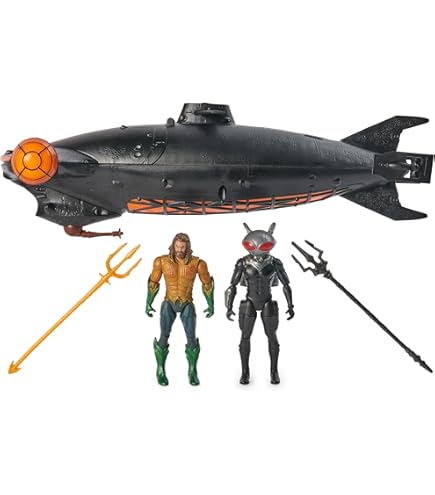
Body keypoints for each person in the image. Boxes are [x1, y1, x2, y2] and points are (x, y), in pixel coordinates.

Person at [225, 223, 294, 385]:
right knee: (245, 336)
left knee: (272, 336)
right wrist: (229, 306)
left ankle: (274, 371)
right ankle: (245, 372)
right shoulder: (243, 262)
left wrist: (290, 305)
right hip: (249, 301)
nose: (257, 248)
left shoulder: (274, 262)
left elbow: (286, 285)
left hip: (267, 301)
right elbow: (232, 286)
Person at [146, 233, 214, 386]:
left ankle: (192, 371)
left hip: (187, 303)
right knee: (164, 336)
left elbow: (207, 284)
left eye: (182, 247)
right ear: (173, 246)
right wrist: (148, 303)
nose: (179, 250)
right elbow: (153, 283)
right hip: (168, 302)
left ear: (187, 247)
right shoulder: (161, 261)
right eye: (177, 246)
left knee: (191, 338)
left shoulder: (198, 263)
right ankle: (160, 370)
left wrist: (211, 304)